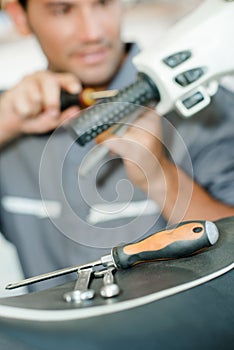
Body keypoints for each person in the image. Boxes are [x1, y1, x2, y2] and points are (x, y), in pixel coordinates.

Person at [0, 0, 233, 292]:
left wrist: (161, 177)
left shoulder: (214, 113)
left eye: (103, 2)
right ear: (20, 17)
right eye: (62, 10)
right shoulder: (9, 120)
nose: (92, 32)